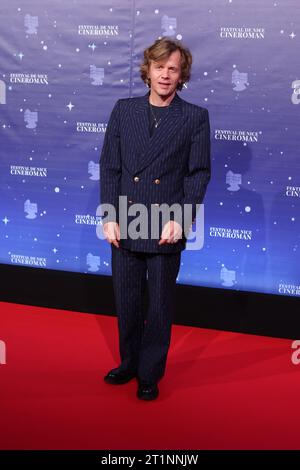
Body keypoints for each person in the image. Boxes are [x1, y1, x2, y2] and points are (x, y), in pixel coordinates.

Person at [100, 37, 211, 400]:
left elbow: (198, 173)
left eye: (173, 69)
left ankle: (150, 374)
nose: (165, 75)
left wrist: (182, 217)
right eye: (159, 67)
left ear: (182, 76)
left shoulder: (194, 117)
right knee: (126, 300)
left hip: (166, 220)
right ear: (147, 70)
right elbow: (110, 167)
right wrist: (109, 216)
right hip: (127, 217)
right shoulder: (123, 109)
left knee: (160, 305)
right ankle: (129, 363)